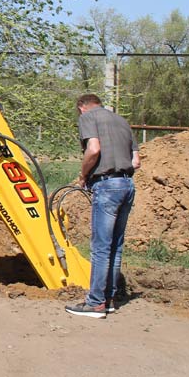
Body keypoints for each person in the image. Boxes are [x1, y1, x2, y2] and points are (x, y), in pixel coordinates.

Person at [65, 93, 141, 319]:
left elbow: (94, 149)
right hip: (127, 185)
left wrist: (83, 175)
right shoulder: (122, 122)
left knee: (100, 247)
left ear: (82, 108)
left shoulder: (88, 117)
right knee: (116, 246)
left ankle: (95, 303)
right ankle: (108, 299)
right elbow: (136, 161)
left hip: (106, 185)